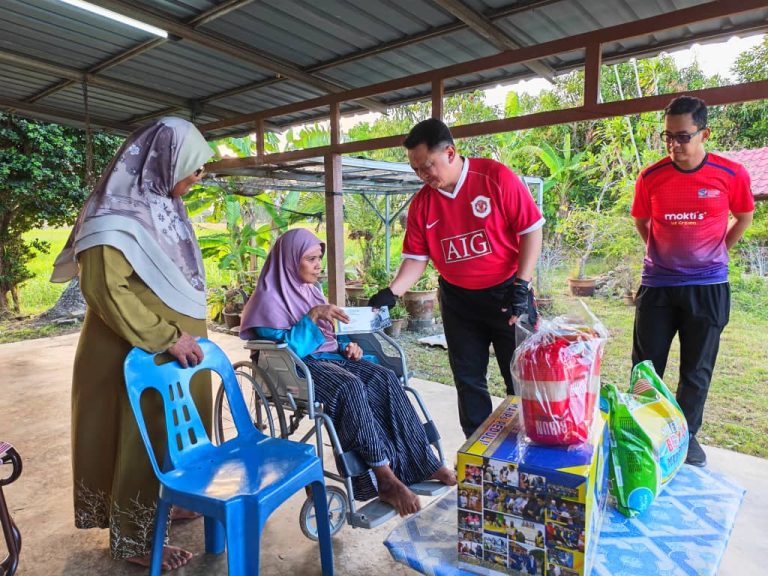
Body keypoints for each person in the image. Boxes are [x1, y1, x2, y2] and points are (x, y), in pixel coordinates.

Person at [51, 117, 214, 570]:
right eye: (194, 167)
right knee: (137, 441)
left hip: (173, 353)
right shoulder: (113, 215)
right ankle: (133, 540)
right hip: (134, 353)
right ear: (165, 160)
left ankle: (174, 501)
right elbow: (104, 288)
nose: (198, 177)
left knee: (173, 434)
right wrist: (167, 336)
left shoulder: (164, 206)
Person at [238, 228, 456, 516]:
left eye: (319, 258)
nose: (318, 266)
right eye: (311, 259)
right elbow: (284, 349)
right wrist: (312, 316)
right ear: (290, 261)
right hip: (299, 367)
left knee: (384, 377)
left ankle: (424, 462)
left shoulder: (311, 290)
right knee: (349, 387)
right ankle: (384, 477)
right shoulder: (268, 300)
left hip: (332, 359)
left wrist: (347, 345)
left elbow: (332, 333)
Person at [368, 118, 544, 437]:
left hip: (508, 296)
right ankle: (477, 449)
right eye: (416, 170)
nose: (423, 175)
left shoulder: (494, 178)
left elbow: (531, 229)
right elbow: (416, 258)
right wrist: (392, 292)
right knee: (467, 379)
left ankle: (529, 445)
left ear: (450, 152)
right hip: (459, 301)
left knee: (521, 376)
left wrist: (523, 283)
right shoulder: (423, 203)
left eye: (427, 166)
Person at [631, 96, 754, 467]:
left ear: (704, 133)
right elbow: (642, 222)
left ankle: (686, 437)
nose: (674, 145)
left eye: (683, 137)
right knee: (646, 366)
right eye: (667, 137)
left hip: (709, 286)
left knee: (697, 368)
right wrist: (663, 255)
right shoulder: (650, 177)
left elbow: (744, 216)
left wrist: (717, 252)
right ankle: (641, 431)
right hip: (658, 285)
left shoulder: (730, 174)